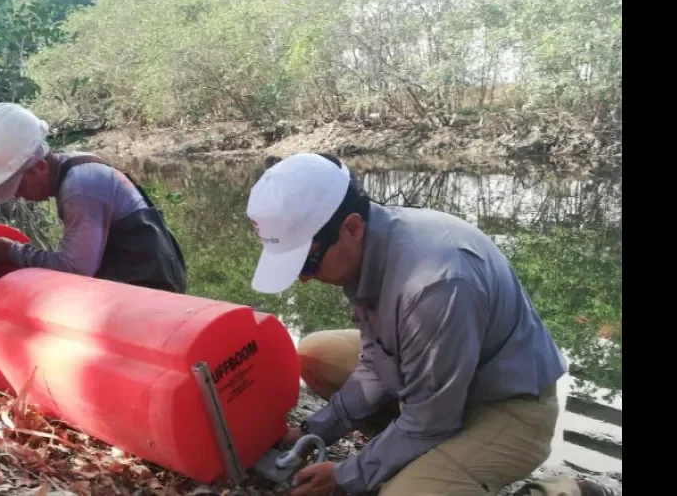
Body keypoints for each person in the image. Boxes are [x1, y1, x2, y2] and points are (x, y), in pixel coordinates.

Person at [245, 153, 617, 496]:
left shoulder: (434, 284)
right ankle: (417, 461)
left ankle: (558, 491)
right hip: (439, 387)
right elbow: (376, 362)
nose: (305, 279)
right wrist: (313, 431)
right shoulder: (367, 247)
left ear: (352, 228)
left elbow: (432, 419)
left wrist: (345, 476)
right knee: (316, 354)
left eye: (307, 264)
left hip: (508, 407)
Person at [0, 103, 186, 293]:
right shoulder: (72, 166)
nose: (17, 195)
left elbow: (76, 269)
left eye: (18, 185)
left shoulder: (81, 187)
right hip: (140, 279)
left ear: (40, 167)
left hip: (152, 289)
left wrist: (12, 251)